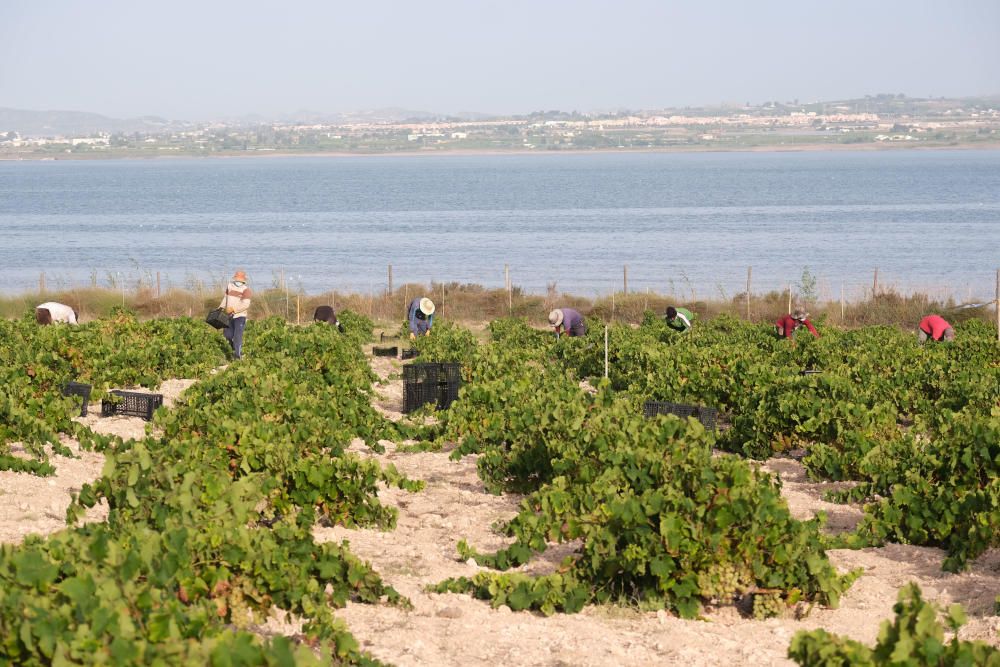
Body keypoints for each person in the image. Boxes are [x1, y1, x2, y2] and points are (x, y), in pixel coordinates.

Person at [220, 270, 252, 359]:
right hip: (228, 315)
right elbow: (225, 298)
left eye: (240, 279)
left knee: (238, 336)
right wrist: (220, 308)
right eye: (237, 279)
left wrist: (234, 309)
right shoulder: (229, 286)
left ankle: (237, 356)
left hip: (240, 316)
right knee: (227, 335)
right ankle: (234, 349)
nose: (238, 281)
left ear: (243, 280)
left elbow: (245, 304)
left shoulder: (246, 290)